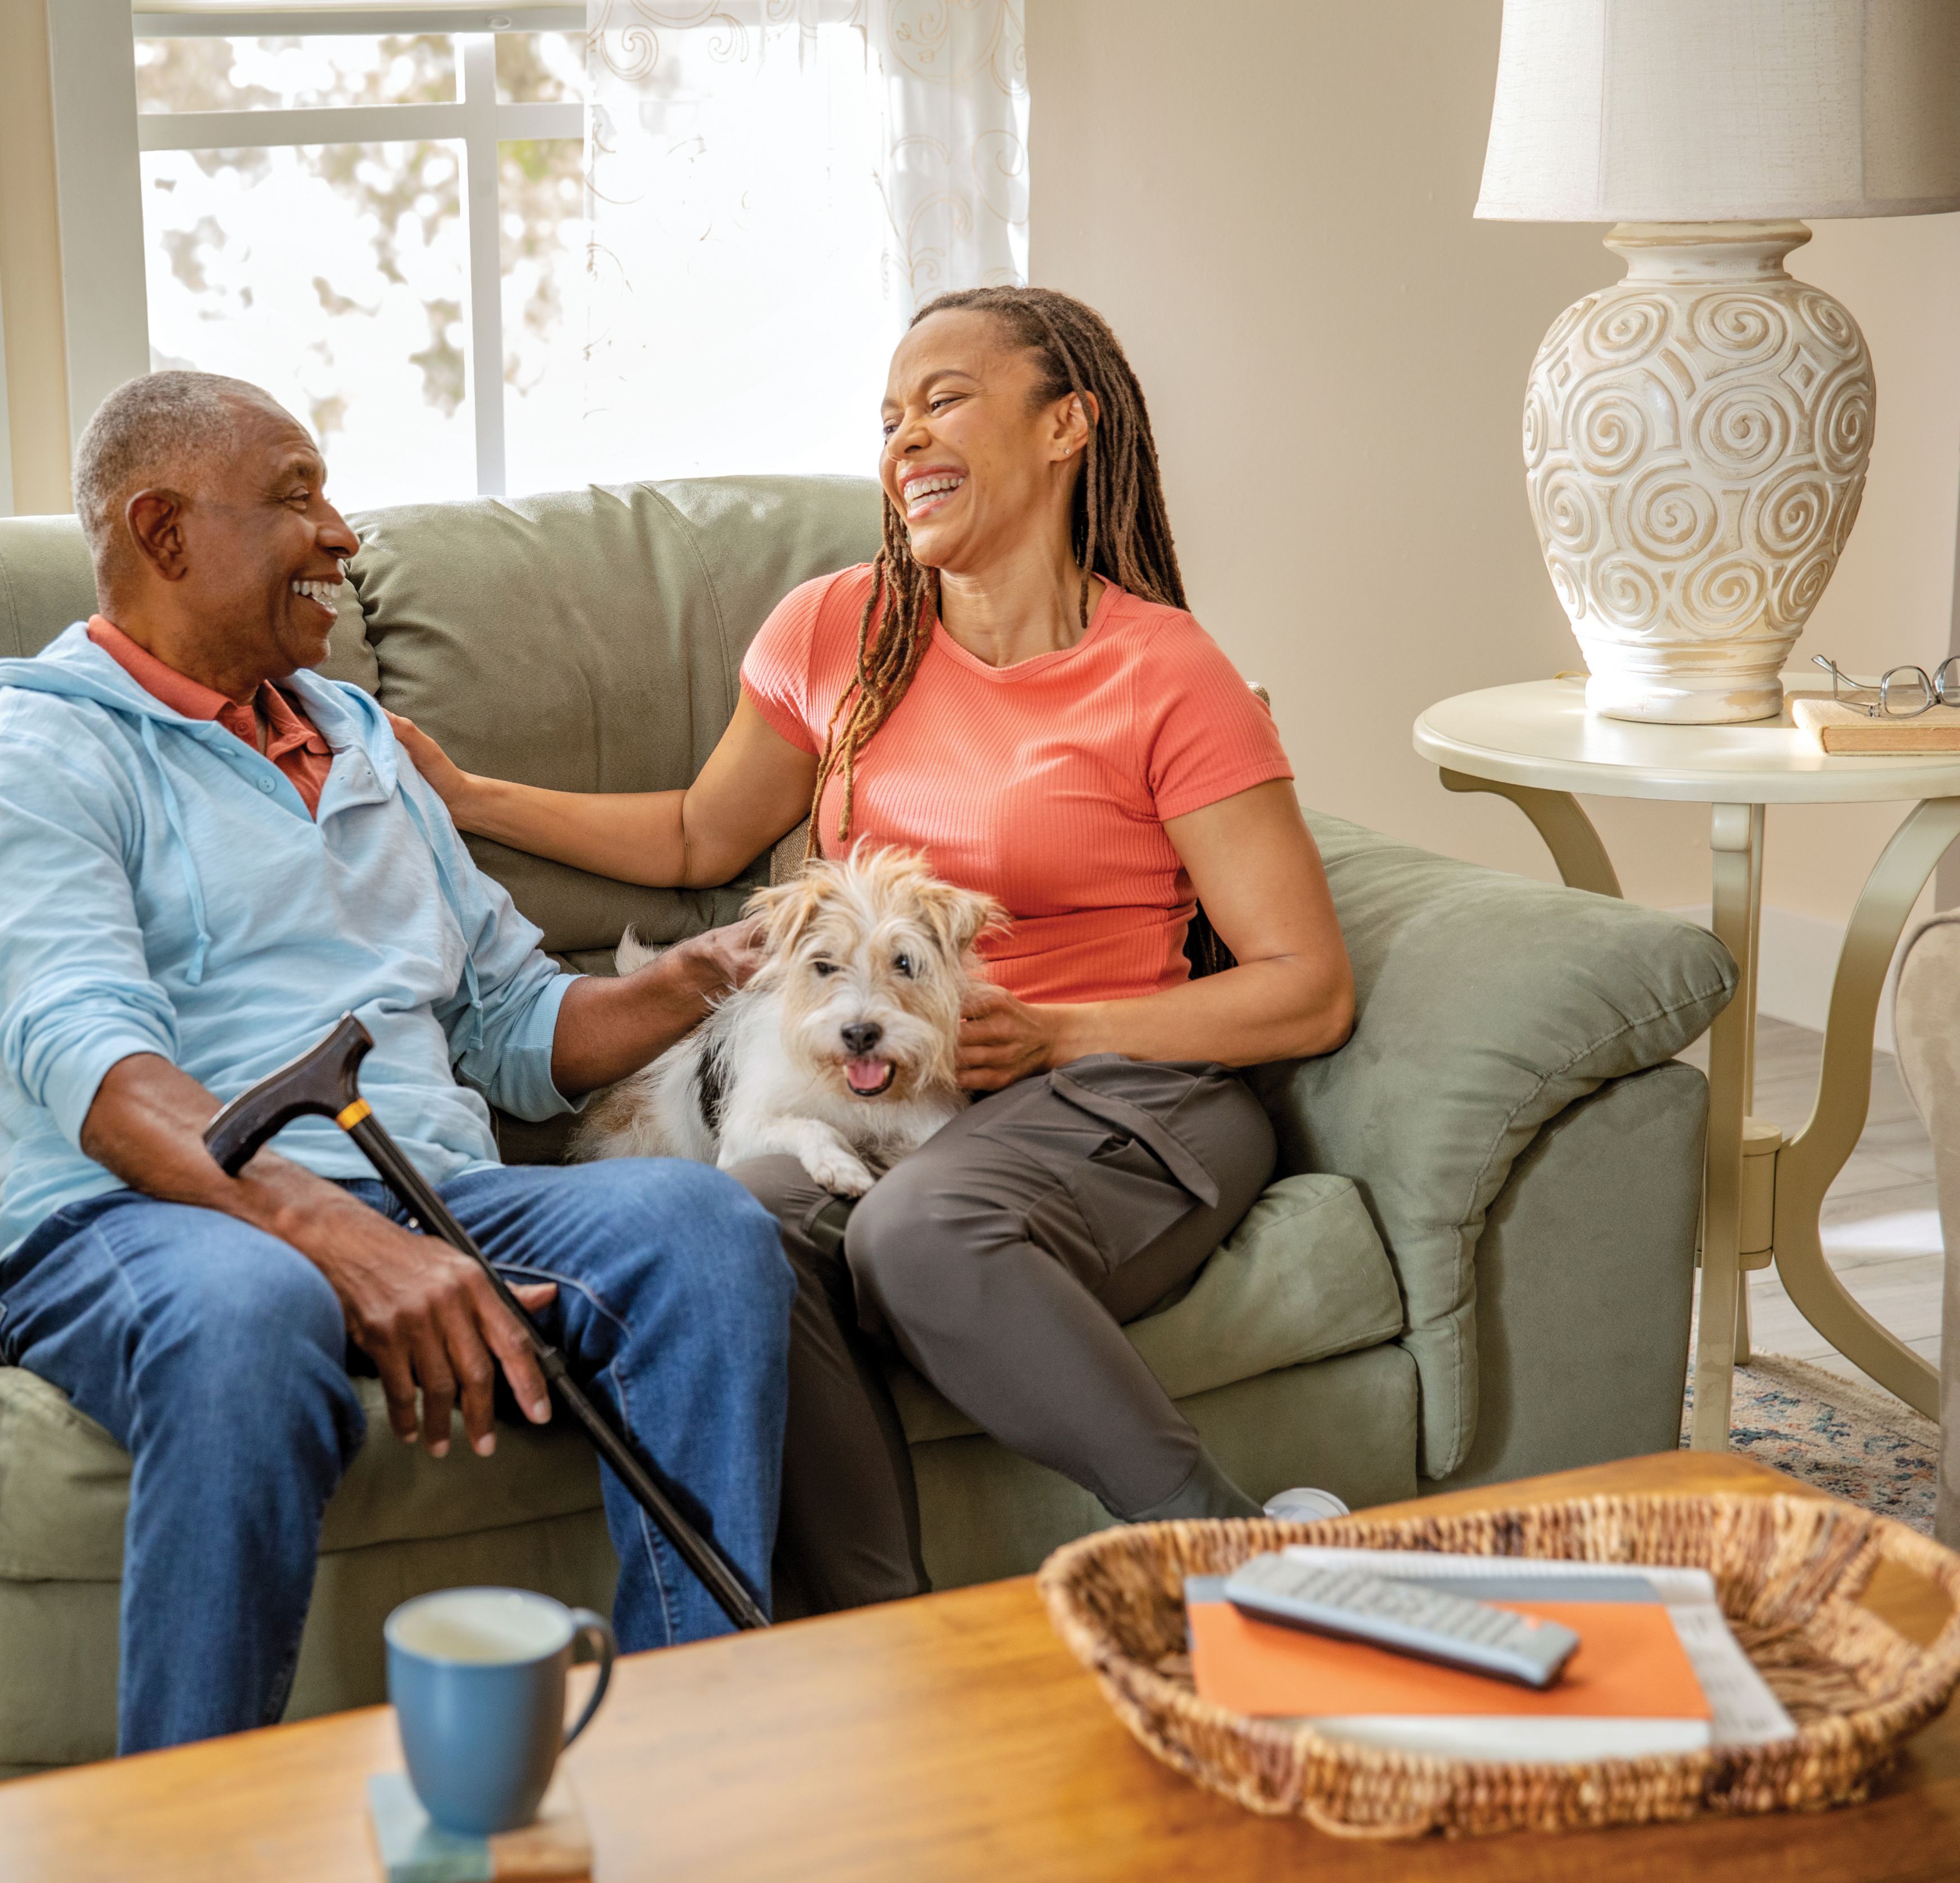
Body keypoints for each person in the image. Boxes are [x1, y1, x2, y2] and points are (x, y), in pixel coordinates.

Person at [395, 286, 1359, 1614]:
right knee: (734, 1231)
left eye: (944, 399)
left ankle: (1242, 1561)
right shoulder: (838, 627)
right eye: (890, 416)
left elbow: (1305, 983)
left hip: (1125, 1087)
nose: (905, 438)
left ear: (1068, 423)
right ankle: (877, 1648)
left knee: (914, 1226)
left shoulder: (1161, 671)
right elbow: (696, 830)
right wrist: (476, 797)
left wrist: (1061, 1031)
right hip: (909, 1089)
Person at [0, 370, 793, 1755]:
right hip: (146, 1217)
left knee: (702, 1227)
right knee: (255, 1308)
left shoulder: (363, 736)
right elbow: (93, 1065)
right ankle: (187, 1835)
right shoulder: (41, 750)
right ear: (162, 529)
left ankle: (685, 1771)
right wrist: (336, 1239)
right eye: (294, 497)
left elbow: (509, 1024)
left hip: (427, 1182)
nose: (341, 532)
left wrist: (693, 978)